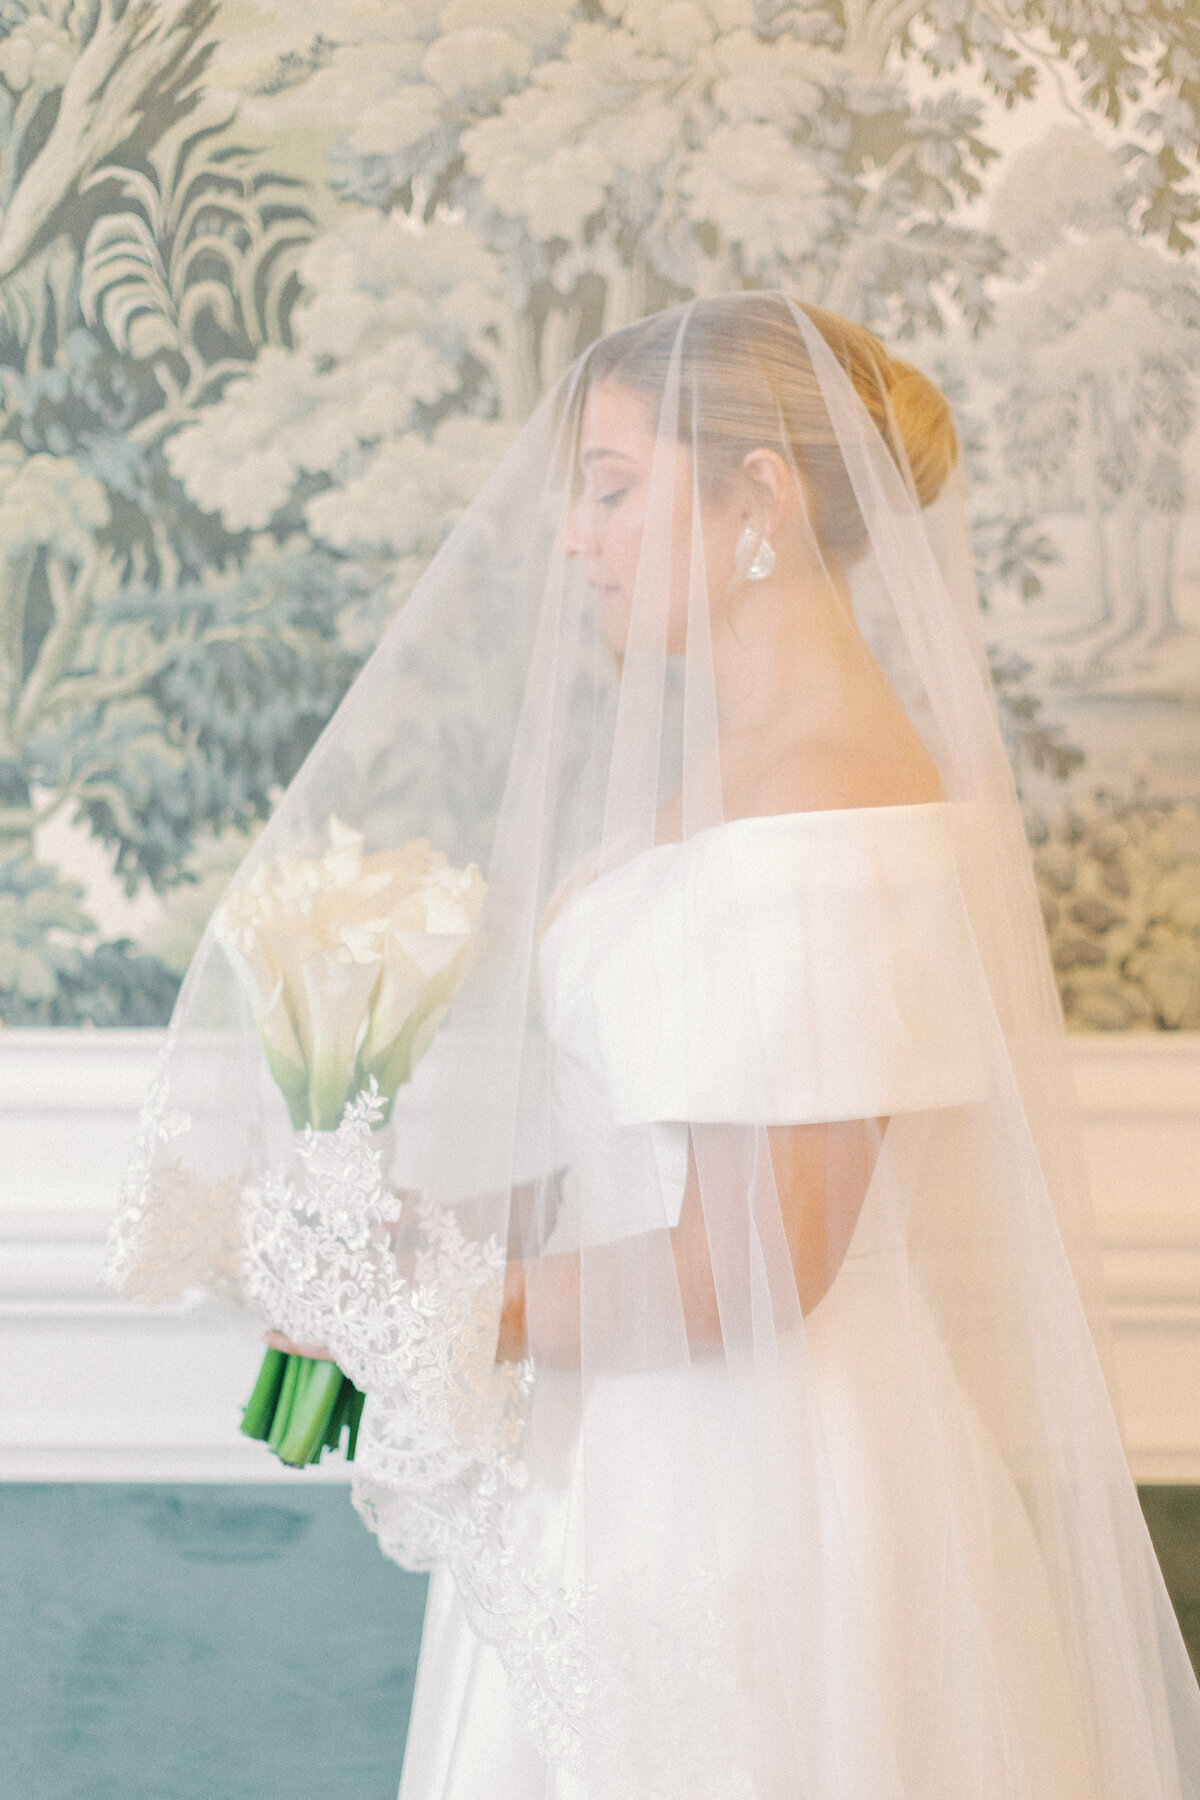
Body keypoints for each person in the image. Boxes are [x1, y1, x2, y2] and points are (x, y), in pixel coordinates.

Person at [108, 293, 1200, 1799]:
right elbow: (659, 1154)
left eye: (614, 489)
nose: (575, 539)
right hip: (641, 1436)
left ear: (760, 497)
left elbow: (762, 1259)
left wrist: (429, 1313)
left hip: (755, 1488)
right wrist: (420, 1237)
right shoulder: (747, 768)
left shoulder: (829, 801)